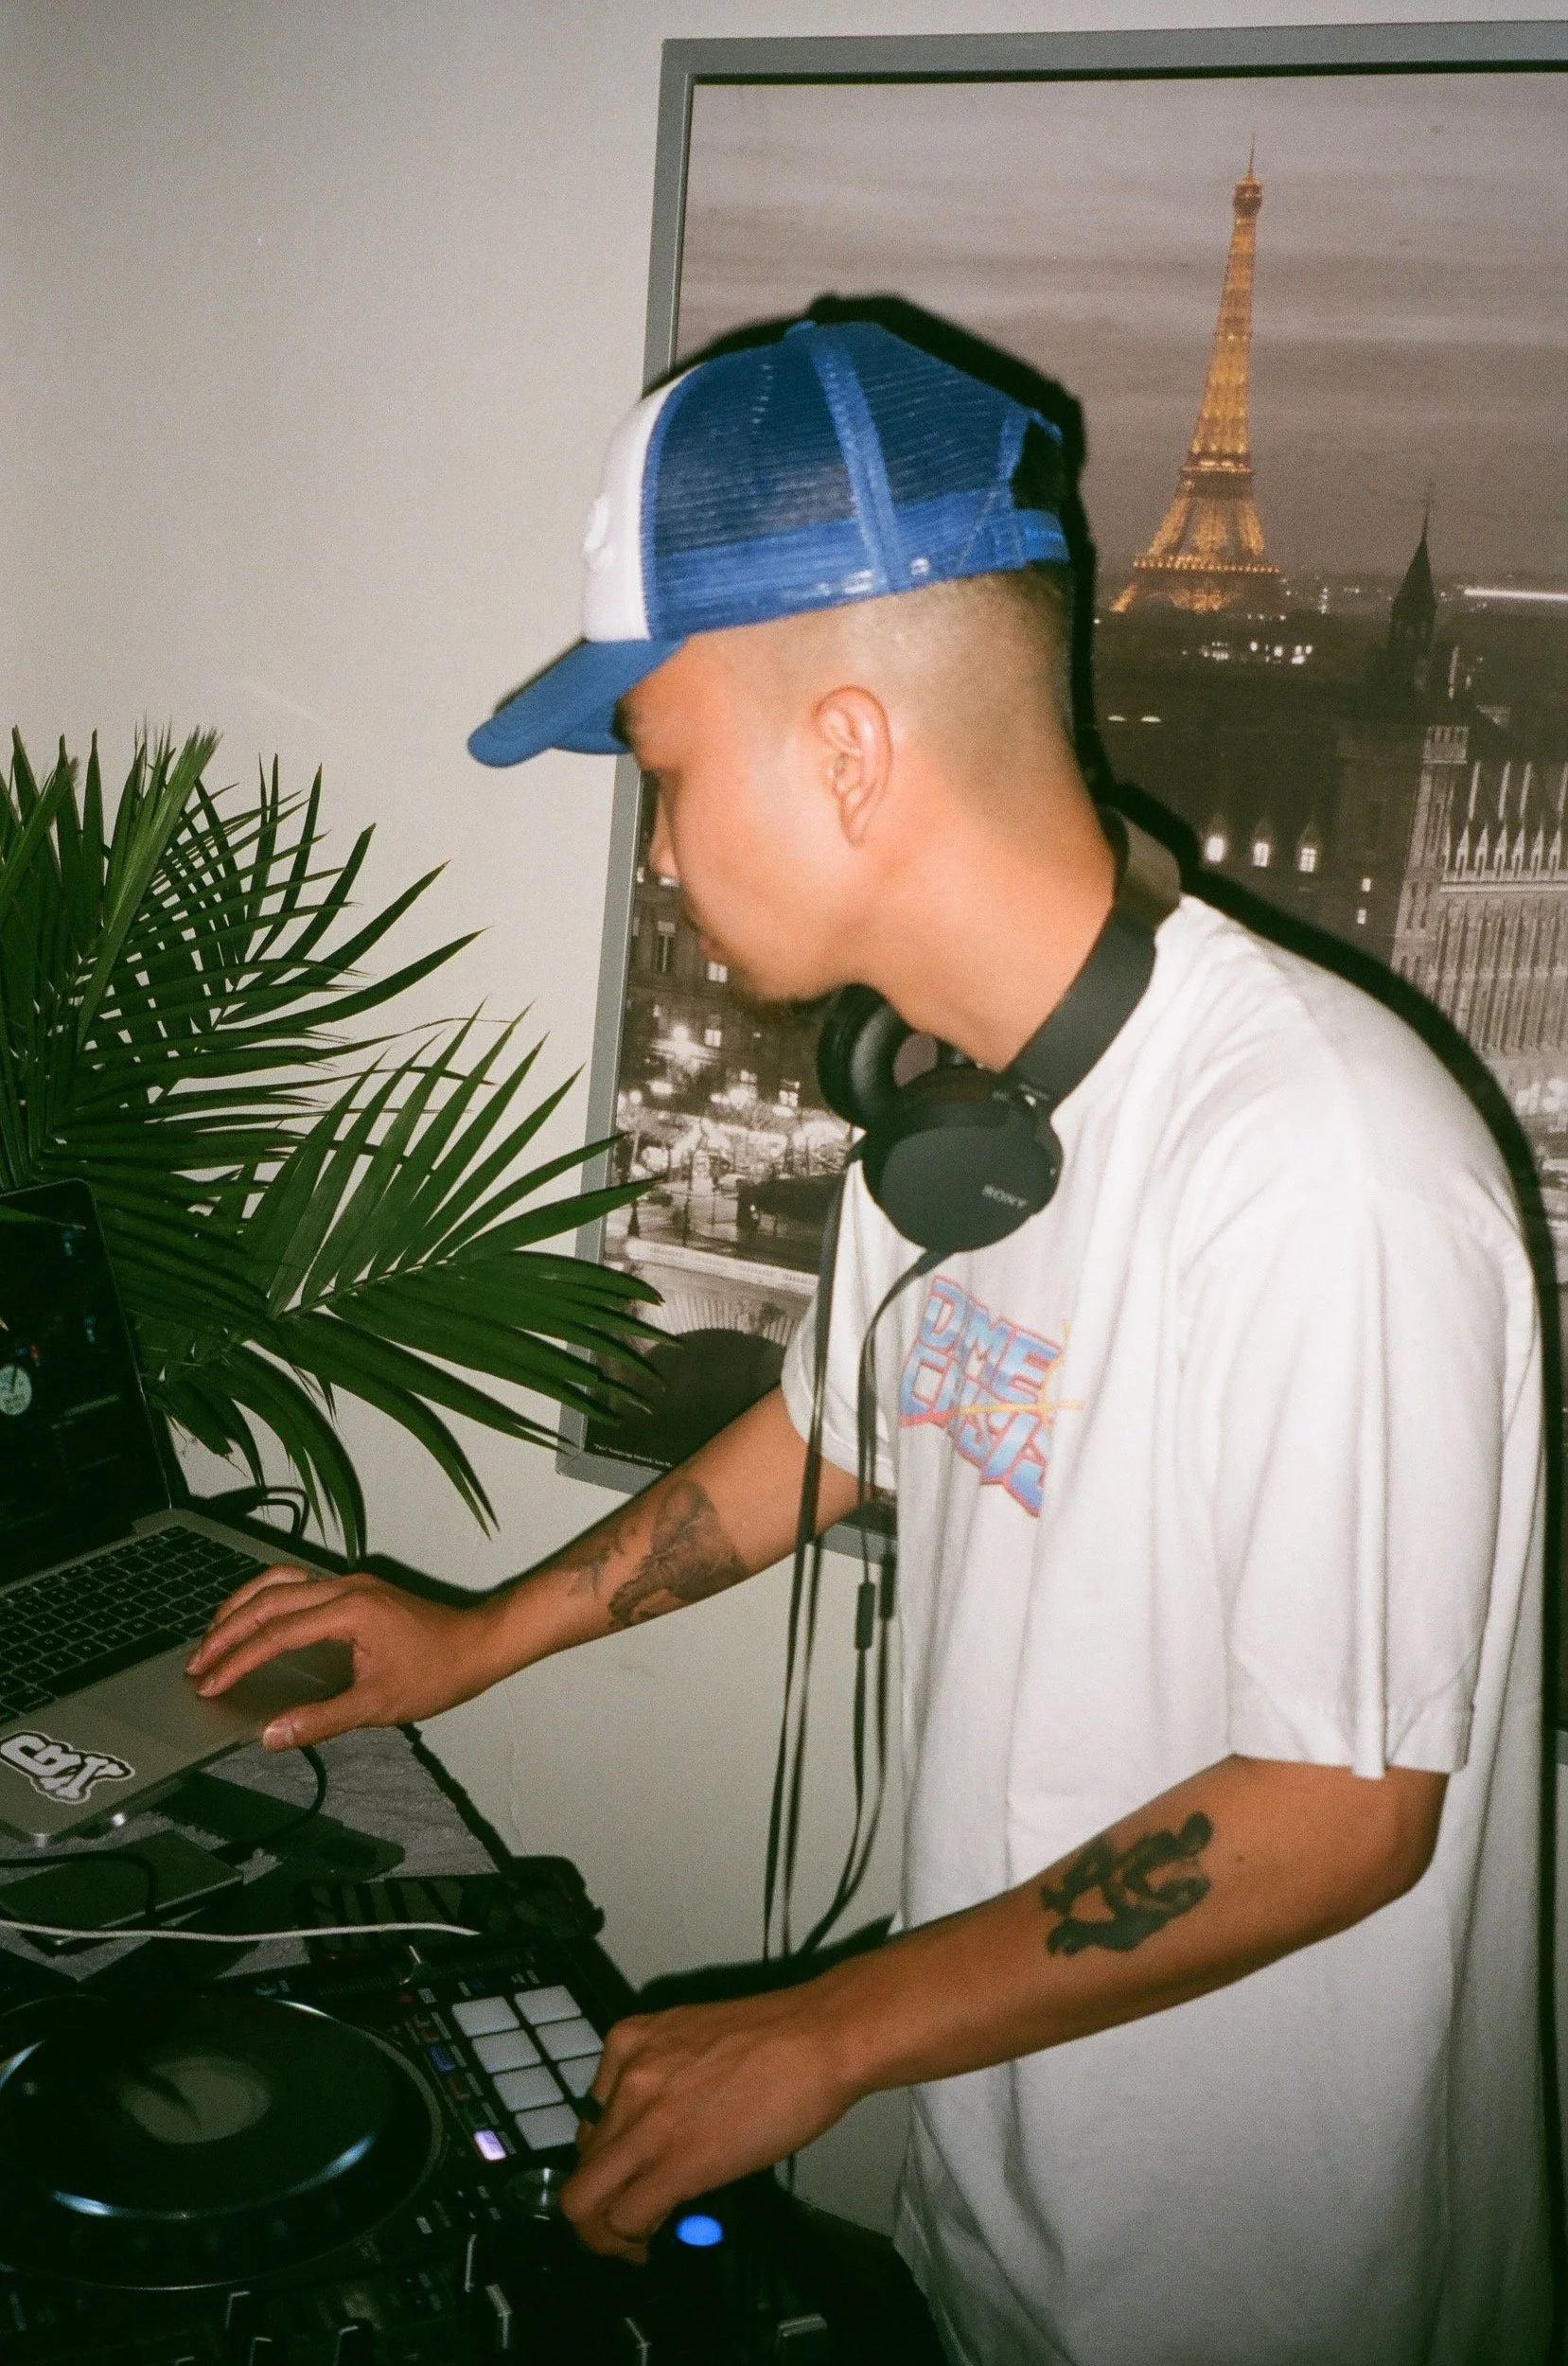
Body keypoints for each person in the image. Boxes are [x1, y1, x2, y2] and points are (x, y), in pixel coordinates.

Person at [187, 320, 1552, 2365]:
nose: (653, 849)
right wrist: (480, 1633)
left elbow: (1341, 1805)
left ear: (846, 747)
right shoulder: (952, 1117)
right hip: (1007, 2220)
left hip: (1268, 2285)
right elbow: (838, 1429)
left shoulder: (1323, 1164)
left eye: (662, 771)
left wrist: (819, 2031)